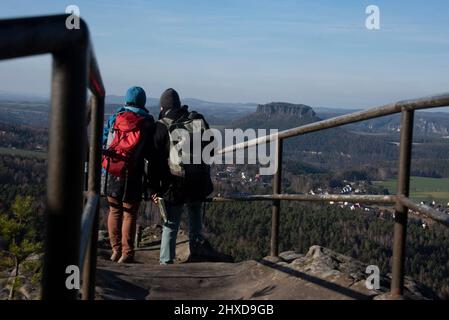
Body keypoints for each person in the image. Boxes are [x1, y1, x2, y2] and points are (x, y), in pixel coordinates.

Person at [150, 88, 233, 264]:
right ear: (179, 105)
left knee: (171, 224)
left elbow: (155, 161)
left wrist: (154, 188)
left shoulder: (162, 126)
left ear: (163, 108)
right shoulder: (197, 119)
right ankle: (197, 251)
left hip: (176, 183)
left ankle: (166, 262)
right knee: (195, 215)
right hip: (199, 181)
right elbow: (212, 146)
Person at [102, 86, 154, 263]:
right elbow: (150, 152)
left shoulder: (115, 118)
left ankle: (115, 250)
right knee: (129, 213)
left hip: (112, 170)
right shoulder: (147, 122)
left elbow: (104, 142)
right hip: (133, 173)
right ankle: (127, 253)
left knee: (114, 210)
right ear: (143, 102)